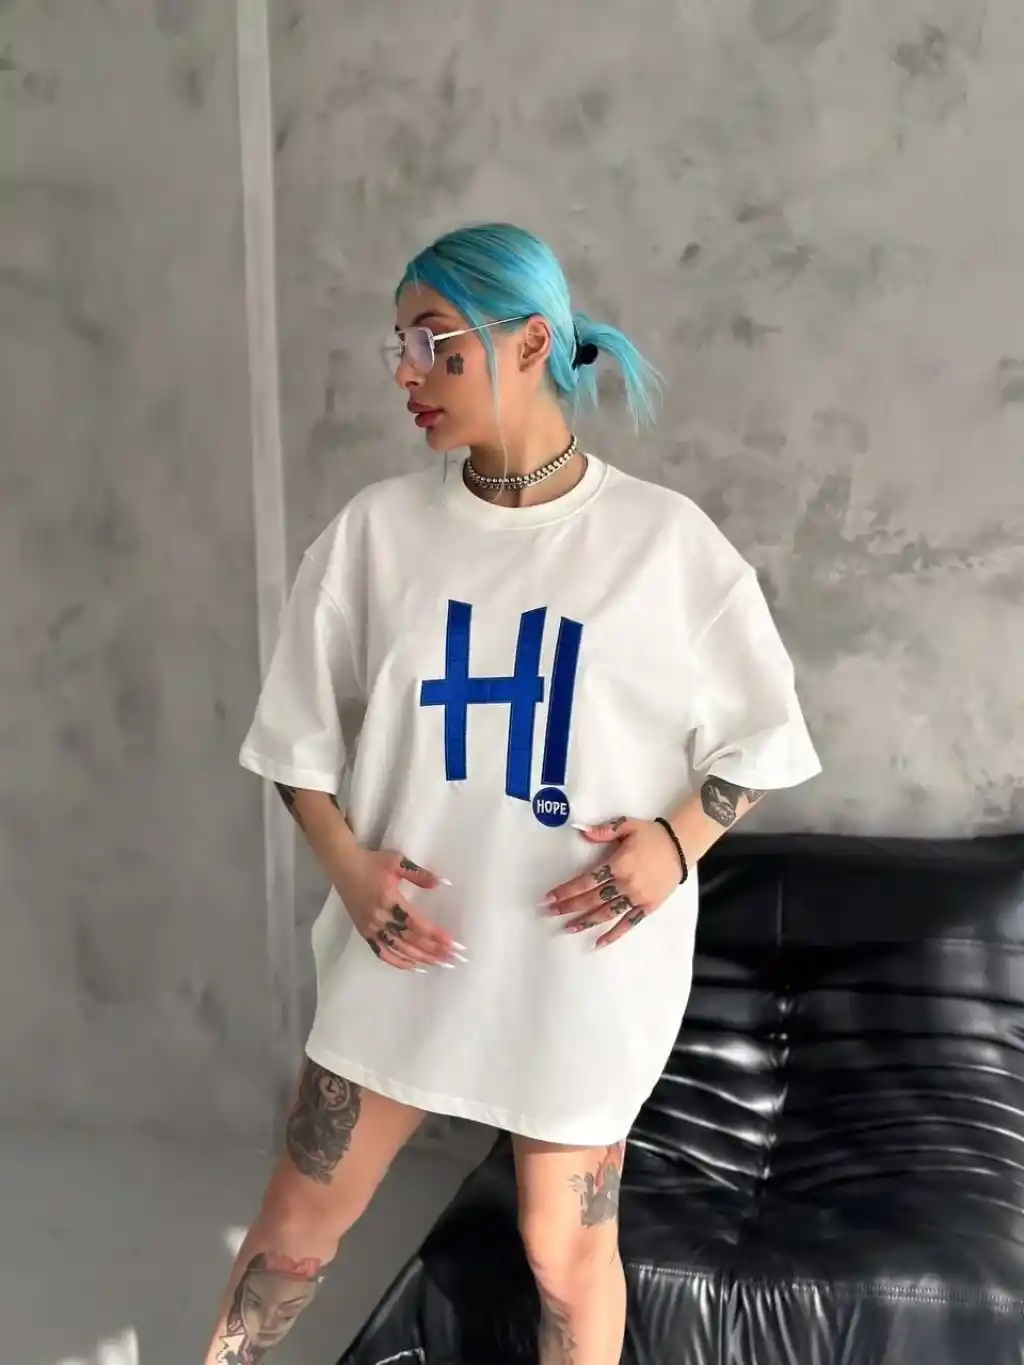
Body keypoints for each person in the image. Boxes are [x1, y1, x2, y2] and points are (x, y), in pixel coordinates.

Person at [202, 222, 821, 1365]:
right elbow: (295, 740)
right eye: (398, 345)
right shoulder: (376, 536)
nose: (406, 374)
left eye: (435, 344)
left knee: (564, 1254)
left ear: (531, 342)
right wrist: (349, 870)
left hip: (576, 967)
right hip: (402, 951)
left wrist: (677, 842)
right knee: (296, 1222)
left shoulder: (661, 544)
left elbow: (764, 733)